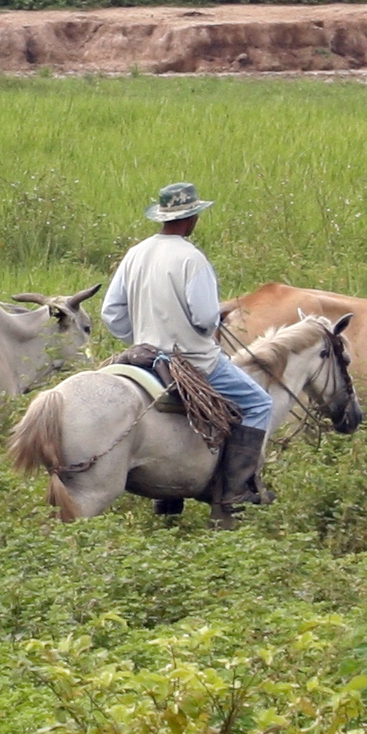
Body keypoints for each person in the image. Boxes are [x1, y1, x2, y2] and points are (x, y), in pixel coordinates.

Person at [102, 181, 276, 511]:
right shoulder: (192, 259)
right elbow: (205, 319)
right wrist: (216, 317)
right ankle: (235, 492)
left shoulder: (136, 252)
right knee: (259, 404)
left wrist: (140, 334)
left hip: (143, 356)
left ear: (163, 216)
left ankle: (167, 501)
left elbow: (111, 311)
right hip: (194, 360)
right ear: (192, 217)